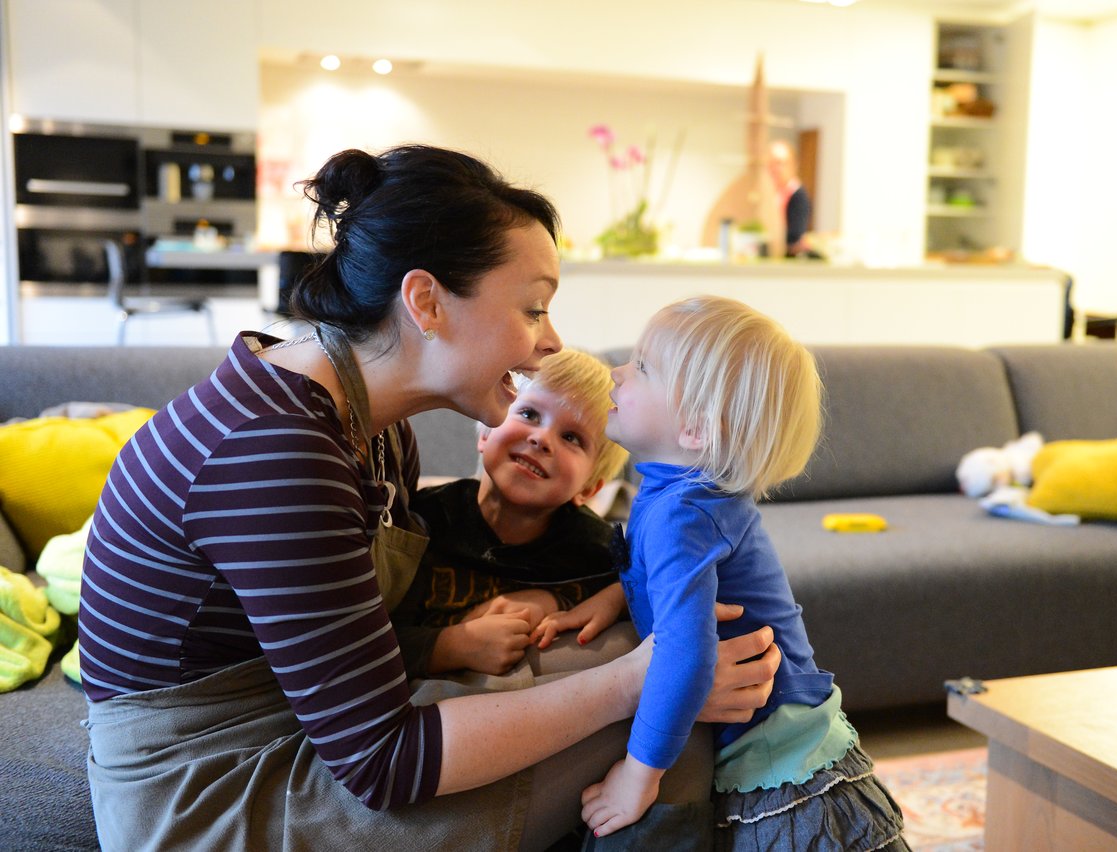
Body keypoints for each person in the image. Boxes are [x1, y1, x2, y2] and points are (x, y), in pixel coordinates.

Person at [76, 145, 781, 852]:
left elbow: (369, 662)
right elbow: (385, 760)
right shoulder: (278, 452)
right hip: (216, 795)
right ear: (425, 302)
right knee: (670, 724)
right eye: (533, 308)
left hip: (305, 727)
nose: (552, 343)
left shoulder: (366, 429)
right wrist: (640, 686)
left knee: (658, 672)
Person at [582, 295, 909, 850]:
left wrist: (638, 776)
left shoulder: (682, 514)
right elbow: (669, 585)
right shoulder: (678, 494)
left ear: (695, 429)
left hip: (785, 780)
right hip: (789, 751)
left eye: (641, 367)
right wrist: (618, 595)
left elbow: (685, 655)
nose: (615, 373)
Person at [396, 347, 630, 677]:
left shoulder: (598, 548)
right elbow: (359, 647)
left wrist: (560, 601)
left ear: (589, 489)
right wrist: (452, 645)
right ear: (487, 429)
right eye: (530, 415)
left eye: (571, 437)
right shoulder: (421, 521)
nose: (541, 439)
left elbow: (659, 583)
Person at [767, 139, 822, 259]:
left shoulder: (798, 196)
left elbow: (794, 236)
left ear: (793, 164)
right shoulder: (769, 195)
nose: (774, 169)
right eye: (770, 164)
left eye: (779, 163)